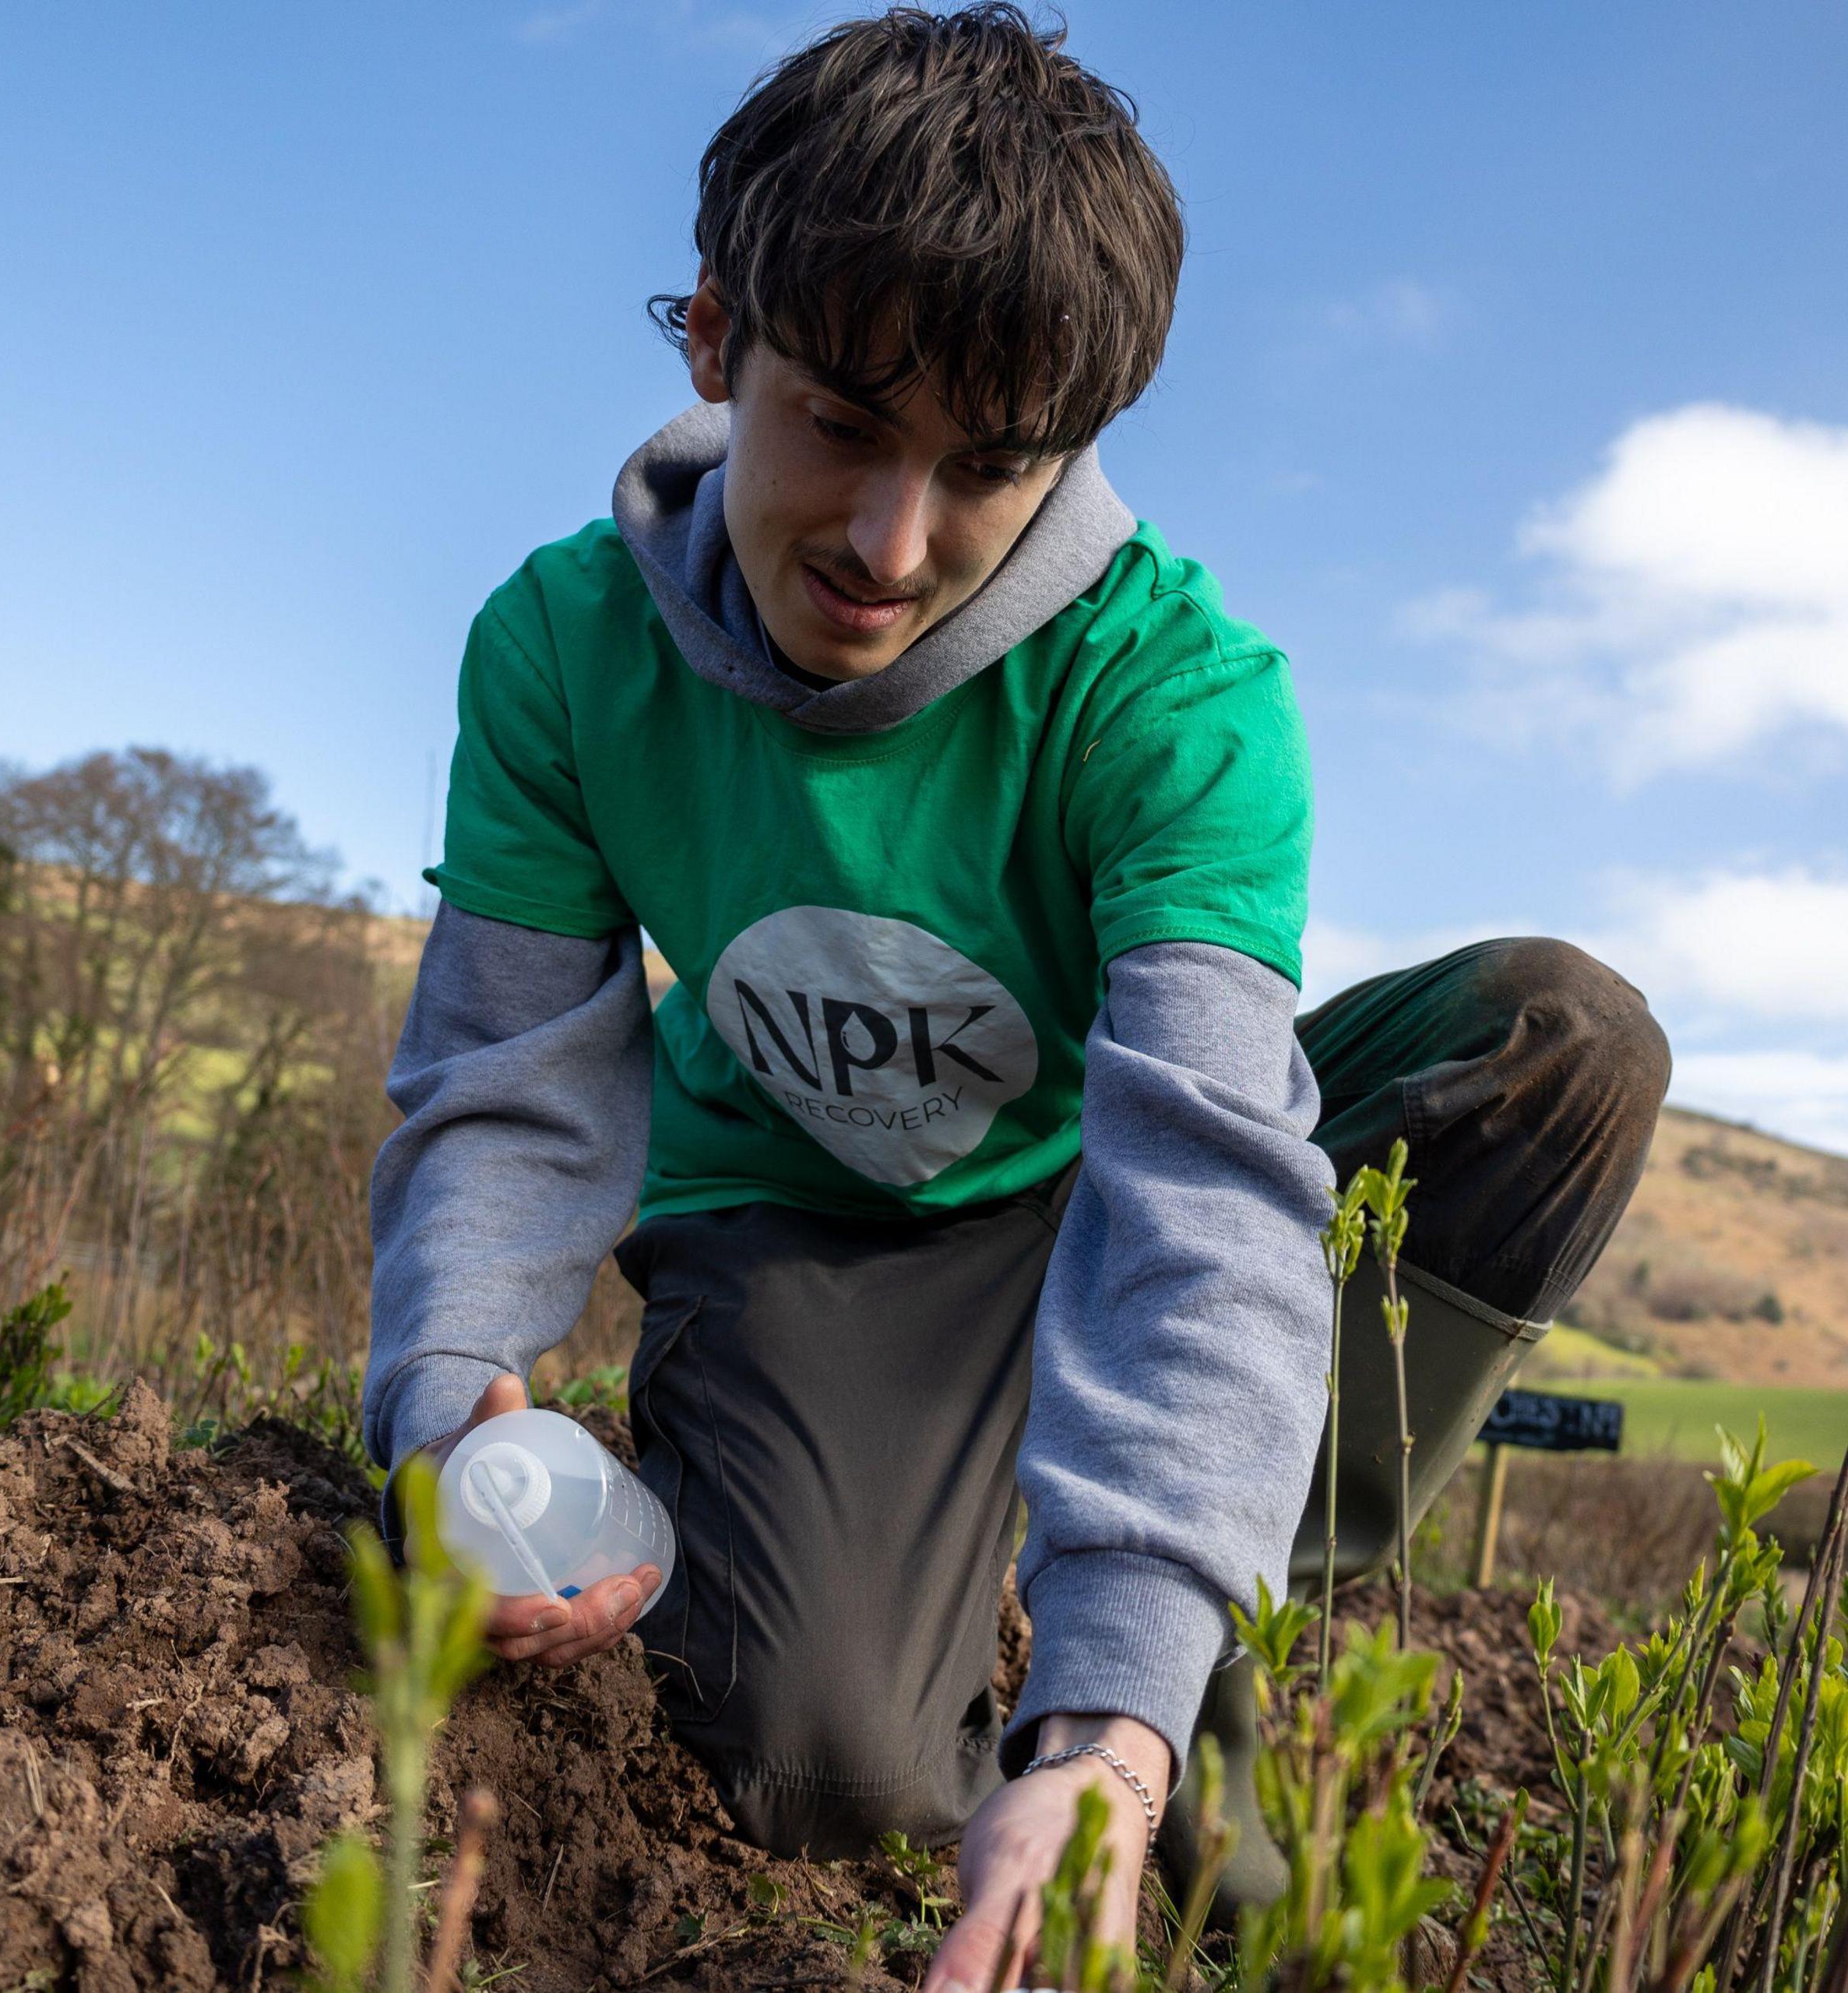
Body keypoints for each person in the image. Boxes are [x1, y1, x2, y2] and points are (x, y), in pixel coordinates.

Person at [363, 8, 1670, 1984]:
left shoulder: (1179, 694)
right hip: (810, 1221)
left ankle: (1173, 1614)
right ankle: (969, 1537)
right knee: (828, 1762)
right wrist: (449, 1402)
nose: (894, 547)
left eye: (988, 467)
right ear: (718, 341)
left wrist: (1107, 1728)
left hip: (1106, 1171)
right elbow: (509, 1083)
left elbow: (1209, 1178)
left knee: (1562, 1048)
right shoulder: (560, 650)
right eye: (842, 429)